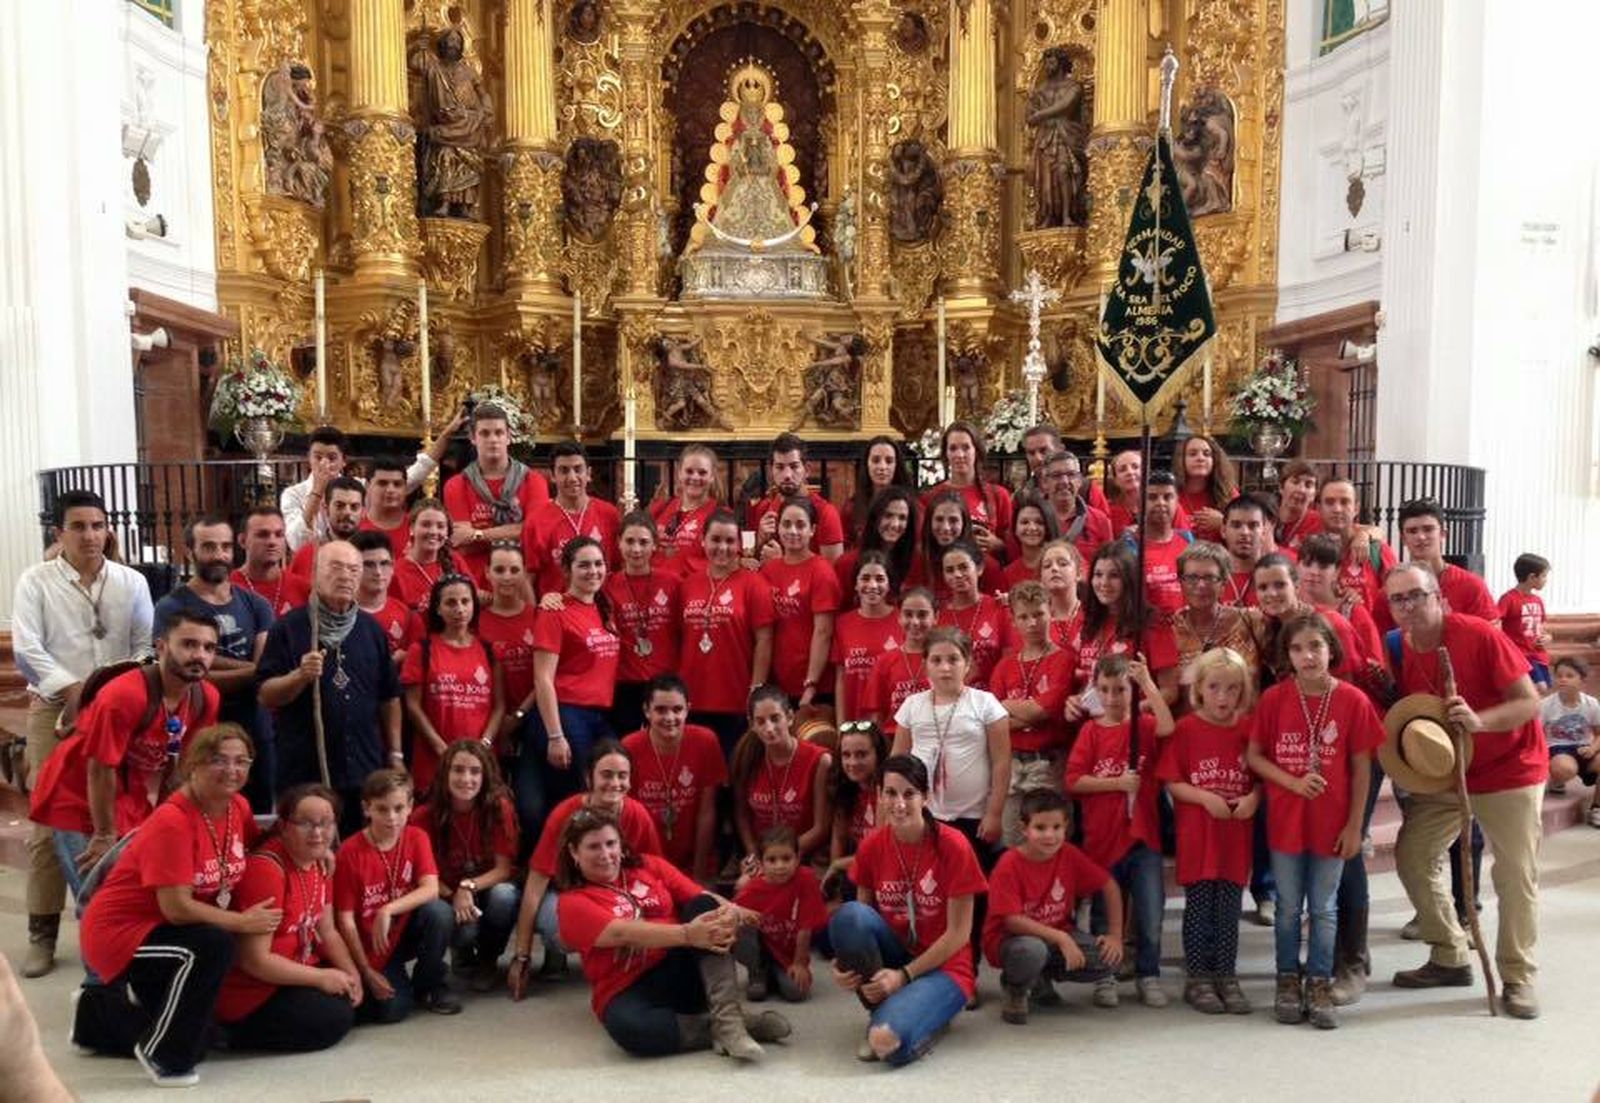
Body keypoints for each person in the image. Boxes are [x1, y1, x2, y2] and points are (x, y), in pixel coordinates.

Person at [1383, 562, 1546, 1019]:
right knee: (1414, 855)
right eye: (1398, 599)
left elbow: (1530, 700)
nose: (1408, 606)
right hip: (1449, 772)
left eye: (1417, 595)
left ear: (1439, 597)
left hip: (1510, 767)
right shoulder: (1401, 648)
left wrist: (1480, 721)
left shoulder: (1478, 635)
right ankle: (1449, 953)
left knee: (1515, 874)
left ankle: (1517, 976)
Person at [71, 724, 274, 1088]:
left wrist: (316, 854)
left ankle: (96, 1019)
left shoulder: (237, 807)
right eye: (218, 760)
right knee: (213, 946)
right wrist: (242, 922)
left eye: (241, 761)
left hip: (170, 930)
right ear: (192, 765)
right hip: (121, 932)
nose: (232, 770)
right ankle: (163, 1054)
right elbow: (177, 907)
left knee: (205, 1038)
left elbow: (257, 852)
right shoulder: (173, 820)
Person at [12, 488, 154, 977]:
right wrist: (74, 690)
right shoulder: (36, 581)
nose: (90, 535)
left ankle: (109, 923)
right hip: (54, 709)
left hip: (118, 710)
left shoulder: (130, 582)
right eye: (79, 527)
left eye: (98, 526)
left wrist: (109, 692)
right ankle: (42, 934)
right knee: (50, 822)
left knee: (116, 817)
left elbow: (144, 646)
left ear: (108, 528)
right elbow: (27, 650)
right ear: (60, 533)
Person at [552, 809, 790, 1058]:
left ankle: (730, 1023)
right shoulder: (571, 902)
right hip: (627, 987)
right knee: (630, 1029)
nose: (605, 854)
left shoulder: (649, 865)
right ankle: (725, 1027)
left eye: (611, 843)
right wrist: (688, 934)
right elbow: (621, 933)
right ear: (573, 853)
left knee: (704, 907)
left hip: (682, 968)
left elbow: (701, 897)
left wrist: (732, 911)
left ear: (621, 844)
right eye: (593, 847)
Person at [1246, 611, 1380, 1030]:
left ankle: (1320, 980)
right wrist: (1292, 781)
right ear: (1287, 655)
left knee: (1323, 908)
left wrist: (1356, 825)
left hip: (1333, 824)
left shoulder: (1353, 701)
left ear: (1331, 649)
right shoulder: (1274, 699)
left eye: (1316, 646)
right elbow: (1254, 756)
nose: (1308, 656)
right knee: (1287, 908)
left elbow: (1362, 769)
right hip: (1287, 822)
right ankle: (1288, 978)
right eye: (1298, 649)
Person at [28, 612, 221, 902]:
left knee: (132, 893)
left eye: (209, 648)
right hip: (77, 791)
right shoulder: (125, 696)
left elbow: (184, 764)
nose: (200, 655)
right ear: (162, 647)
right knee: (96, 895)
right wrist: (104, 834)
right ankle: (48, 941)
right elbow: (99, 769)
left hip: (128, 793)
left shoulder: (206, 697)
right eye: (189, 644)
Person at [828, 754, 987, 1066]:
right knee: (847, 915)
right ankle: (883, 1013)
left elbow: (959, 935)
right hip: (897, 953)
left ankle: (903, 1023)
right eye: (890, 793)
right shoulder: (872, 845)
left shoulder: (954, 846)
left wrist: (904, 976)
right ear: (879, 796)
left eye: (909, 794)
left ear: (925, 797)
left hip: (946, 968)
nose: (899, 804)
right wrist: (842, 965)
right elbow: (862, 917)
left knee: (886, 1044)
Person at [258, 541, 403, 836]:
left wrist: (396, 755)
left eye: (353, 569)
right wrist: (299, 676)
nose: (346, 576)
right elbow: (266, 693)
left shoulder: (371, 630)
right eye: (336, 567)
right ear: (315, 574)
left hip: (363, 769)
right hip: (305, 771)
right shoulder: (289, 628)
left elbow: (389, 697)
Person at [507, 742, 663, 999]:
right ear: (588, 777)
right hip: (566, 893)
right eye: (606, 775)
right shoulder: (564, 815)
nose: (615, 783)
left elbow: (654, 877)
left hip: (615, 896)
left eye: (622, 776)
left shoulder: (637, 815)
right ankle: (556, 953)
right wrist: (521, 956)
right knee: (561, 932)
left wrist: (649, 928)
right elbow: (536, 885)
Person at [214, 784, 361, 1051]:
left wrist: (353, 973)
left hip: (296, 969)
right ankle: (224, 1035)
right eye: (305, 823)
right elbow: (254, 961)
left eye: (326, 823)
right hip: (255, 990)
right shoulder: (267, 870)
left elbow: (327, 931)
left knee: (368, 1001)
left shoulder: (321, 861)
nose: (317, 833)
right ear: (284, 826)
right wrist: (320, 978)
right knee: (333, 1019)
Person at [1065, 655, 1175, 1007]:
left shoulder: (1142, 726)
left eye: (1121, 690)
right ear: (1095, 691)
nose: (1113, 698)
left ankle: (1149, 973)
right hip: (1103, 839)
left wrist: (1147, 683)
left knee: (1149, 911)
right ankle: (1105, 974)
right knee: (1103, 913)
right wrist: (1116, 782)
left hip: (1143, 838)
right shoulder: (1091, 731)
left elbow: (1168, 727)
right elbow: (1074, 781)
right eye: (1105, 690)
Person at [1158, 647, 1258, 1015]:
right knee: (1199, 910)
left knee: (1229, 910)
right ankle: (1198, 977)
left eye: (1232, 689)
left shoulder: (1248, 729)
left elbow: (1262, 776)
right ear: (1199, 689)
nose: (1223, 697)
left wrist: (1254, 799)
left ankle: (1227, 976)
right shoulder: (1186, 729)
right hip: (1199, 838)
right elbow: (1172, 782)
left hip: (1235, 837)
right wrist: (1203, 798)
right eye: (1215, 687)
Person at [984, 789, 1122, 1024]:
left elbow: (1109, 885)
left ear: (1066, 827)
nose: (1050, 836)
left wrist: (1116, 935)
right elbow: (1012, 920)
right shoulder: (1009, 864)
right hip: (1014, 941)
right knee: (1032, 950)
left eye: (1056, 827)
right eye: (1040, 828)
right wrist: (1061, 938)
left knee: (1107, 959)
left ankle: (1039, 978)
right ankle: (1015, 988)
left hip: (1055, 936)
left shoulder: (1068, 853)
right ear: (1024, 828)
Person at [333, 768, 457, 1019]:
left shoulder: (416, 837)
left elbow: (431, 889)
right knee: (394, 1010)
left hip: (403, 929)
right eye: (382, 809)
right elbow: (344, 921)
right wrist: (366, 970)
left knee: (440, 913)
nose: (391, 817)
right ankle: (392, 984)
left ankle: (429, 984)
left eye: (399, 808)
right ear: (366, 808)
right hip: (373, 944)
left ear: (410, 806)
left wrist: (388, 909)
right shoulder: (349, 852)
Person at [410, 741, 521, 991]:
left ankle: (488, 959)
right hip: (445, 891)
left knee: (505, 896)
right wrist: (454, 896)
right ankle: (462, 952)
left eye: (475, 771)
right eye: (458, 770)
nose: (466, 778)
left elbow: (504, 869)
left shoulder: (498, 808)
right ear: (445, 773)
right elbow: (421, 875)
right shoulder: (424, 815)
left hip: (486, 886)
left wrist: (467, 887)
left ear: (486, 775)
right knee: (458, 923)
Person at [154, 514, 272, 739]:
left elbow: (265, 671)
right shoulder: (171, 607)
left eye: (225, 547)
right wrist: (253, 671)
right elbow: (184, 675)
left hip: (254, 728)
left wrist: (212, 666)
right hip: (197, 727)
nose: (219, 555)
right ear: (190, 552)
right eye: (209, 547)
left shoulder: (258, 605)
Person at [528, 537, 619, 812]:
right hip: (568, 713)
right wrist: (556, 735)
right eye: (584, 565)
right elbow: (542, 678)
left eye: (598, 564)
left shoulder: (604, 607)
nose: (593, 571)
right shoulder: (554, 612)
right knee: (581, 794)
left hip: (601, 714)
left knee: (608, 784)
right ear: (567, 571)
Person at [679, 510, 775, 755]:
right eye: (716, 540)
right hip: (692, 697)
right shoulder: (689, 584)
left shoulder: (754, 584)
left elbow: (764, 640)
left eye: (730, 541)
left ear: (740, 544)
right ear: (703, 541)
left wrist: (756, 690)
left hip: (736, 698)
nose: (722, 547)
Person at [989, 582, 1074, 845]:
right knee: (1012, 843)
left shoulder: (1064, 659)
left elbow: (1043, 712)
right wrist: (1030, 711)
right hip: (1012, 765)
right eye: (1024, 617)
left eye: (1038, 614)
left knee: (1050, 842)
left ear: (1050, 611)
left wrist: (1011, 707)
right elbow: (993, 721)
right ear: (1013, 621)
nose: (1032, 623)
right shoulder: (1004, 667)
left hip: (1049, 764)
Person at [281, 423, 454, 552]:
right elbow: (296, 542)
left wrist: (446, 433)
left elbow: (414, 475)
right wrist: (317, 491)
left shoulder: (359, 487)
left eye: (332, 458)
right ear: (308, 459)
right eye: (318, 457)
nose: (324, 464)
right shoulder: (293, 494)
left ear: (344, 461)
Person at [400, 574, 501, 792]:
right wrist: (441, 748)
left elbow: (499, 706)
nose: (460, 609)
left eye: (465, 601)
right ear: (437, 608)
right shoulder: (422, 649)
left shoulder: (488, 650)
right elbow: (412, 707)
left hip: (479, 761)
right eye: (451, 602)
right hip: (433, 759)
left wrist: (484, 745)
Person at [621, 676, 726, 879]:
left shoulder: (705, 741)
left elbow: (707, 814)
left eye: (677, 710)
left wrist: (699, 876)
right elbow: (629, 818)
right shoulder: (629, 747)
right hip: (646, 862)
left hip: (694, 862)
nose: (669, 718)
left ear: (688, 709)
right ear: (646, 711)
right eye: (660, 710)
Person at [1065, 542, 1180, 715]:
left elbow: (1170, 692)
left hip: (1134, 729)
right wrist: (1076, 701)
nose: (1104, 583)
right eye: (1098, 574)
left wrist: (1127, 712)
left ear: (1129, 579)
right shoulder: (1087, 620)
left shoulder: (1153, 623)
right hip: (1092, 729)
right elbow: (1090, 682)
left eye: (1114, 575)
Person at [443, 404, 550, 586]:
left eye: (499, 433)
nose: (493, 439)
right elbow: (463, 543)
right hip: (474, 584)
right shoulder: (456, 485)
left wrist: (478, 534)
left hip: (523, 581)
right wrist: (514, 530)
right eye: (485, 433)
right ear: (473, 438)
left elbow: (532, 534)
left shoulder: (534, 481)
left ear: (509, 437)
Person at [731, 686, 833, 860]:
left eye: (775, 718)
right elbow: (742, 815)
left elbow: (821, 828)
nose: (769, 728)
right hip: (762, 856)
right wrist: (753, 853)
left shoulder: (819, 760)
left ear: (790, 717)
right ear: (751, 724)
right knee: (744, 884)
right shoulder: (747, 757)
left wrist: (780, 857)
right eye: (760, 721)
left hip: (803, 856)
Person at [760, 496, 842, 706]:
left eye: (800, 525)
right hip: (777, 682)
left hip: (812, 685)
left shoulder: (821, 571)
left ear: (812, 530)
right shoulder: (769, 570)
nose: (793, 531)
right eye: (786, 524)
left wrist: (811, 683)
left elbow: (823, 631)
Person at [605, 513, 682, 732]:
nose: (636, 549)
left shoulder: (673, 583)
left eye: (643, 542)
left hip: (665, 681)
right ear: (618, 543)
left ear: (655, 546)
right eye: (629, 541)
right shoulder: (608, 584)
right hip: (625, 682)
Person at [733, 825, 828, 1001]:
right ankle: (757, 972)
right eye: (772, 860)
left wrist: (799, 963)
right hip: (761, 949)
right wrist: (740, 886)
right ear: (761, 863)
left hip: (789, 954)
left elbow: (806, 927)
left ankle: (773, 975)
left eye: (786, 858)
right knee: (739, 926)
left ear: (798, 858)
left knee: (796, 993)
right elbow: (732, 915)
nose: (780, 866)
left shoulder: (806, 879)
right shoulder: (753, 888)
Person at [522, 441, 622, 595]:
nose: (572, 477)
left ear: (588, 474)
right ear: (553, 476)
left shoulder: (609, 514)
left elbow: (617, 569)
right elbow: (528, 579)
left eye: (578, 469)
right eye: (564, 470)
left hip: (601, 611)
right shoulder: (536, 520)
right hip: (557, 612)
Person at [478, 542, 540, 776]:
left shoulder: (539, 616)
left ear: (524, 572)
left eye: (514, 570)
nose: (507, 577)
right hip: (489, 722)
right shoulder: (475, 620)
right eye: (499, 570)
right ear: (487, 572)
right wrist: (499, 723)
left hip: (533, 717)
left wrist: (519, 716)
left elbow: (548, 676)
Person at [1170, 541, 1262, 692]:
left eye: (1209, 578)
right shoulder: (1170, 629)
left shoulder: (1250, 622)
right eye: (1192, 577)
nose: (1200, 585)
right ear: (1180, 582)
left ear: (1224, 583)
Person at [923, 421, 1014, 559]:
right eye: (953, 448)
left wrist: (997, 545)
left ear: (976, 451)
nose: (960, 455)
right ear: (945, 453)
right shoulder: (931, 497)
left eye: (966, 448)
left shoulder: (999, 495)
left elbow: (1015, 544)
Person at [1397, 498, 1498, 623]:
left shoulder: (1472, 586)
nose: (1421, 537)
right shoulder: (1391, 591)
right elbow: (1380, 640)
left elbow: (1492, 636)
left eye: (1428, 529)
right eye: (1412, 531)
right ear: (1403, 539)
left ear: (1443, 534)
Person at [831, 551, 904, 721]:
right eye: (865, 578)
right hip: (856, 723)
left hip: (894, 723)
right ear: (855, 584)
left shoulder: (903, 621)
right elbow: (841, 679)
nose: (872, 585)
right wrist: (841, 724)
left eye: (879, 579)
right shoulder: (843, 623)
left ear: (889, 584)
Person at [749, 433, 846, 561]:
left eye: (794, 466)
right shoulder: (763, 508)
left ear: (807, 470)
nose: (787, 475)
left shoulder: (826, 513)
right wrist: (759, 541)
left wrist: (781, 563)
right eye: (780, 467)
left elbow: (832, 574)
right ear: (770, 471)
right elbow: (751, 562)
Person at [1317, 478, 1398, 631]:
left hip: (1371, 644)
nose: (1337, 509)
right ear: (1319, 508)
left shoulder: (1378, 551)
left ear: (1356, 508)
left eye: (1345, 502)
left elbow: (1397, 596)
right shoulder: (1309, 553)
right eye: (1329, 502)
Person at [935, 541, 1018, 690]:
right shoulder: (938, 616)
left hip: (993, 699)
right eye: (950, 570)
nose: (957, 575)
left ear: (979, 568)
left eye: (963, 567)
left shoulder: (998, 607)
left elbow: (1010, 660)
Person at [861, 587, 935, 734]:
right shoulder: (884, 661)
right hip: (893, 739)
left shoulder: (943, 659)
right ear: (899, 617)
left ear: (936, 617)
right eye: (908, 614)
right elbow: (877, 716)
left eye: (922, 615)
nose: (915, 622)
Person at [825, 721, 888, 889]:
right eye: (846, 755)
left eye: (861, 754)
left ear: (878, 755)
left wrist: (838, 865)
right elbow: (838, 839)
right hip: (855, 870)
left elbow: (879, 852)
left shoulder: (888, 791)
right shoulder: (843, 789)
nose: (852, 762)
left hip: (883, 873)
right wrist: (833, 876)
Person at [833, 485, 919, 605]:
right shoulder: (847, 564)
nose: (895, 524)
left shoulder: (916, 563)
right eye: (888, 515)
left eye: (902, 518)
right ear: (875, 517)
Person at [350, 531, 424, 666]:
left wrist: (407, 657)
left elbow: (420, 664)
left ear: (393, 566)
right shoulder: (339, 614)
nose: (378, 572)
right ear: (352, 568)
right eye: (368, 564)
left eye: (384, 563)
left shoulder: (408, 617)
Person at [1539, 657, 1600, 820]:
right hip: (1558, 749)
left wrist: (1593, 748)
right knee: (1565, 769)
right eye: (1559, 675)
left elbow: (1599, 733)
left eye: (1569, 675)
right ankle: (1557, 780)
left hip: (1585, 748)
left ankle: (1596, 808)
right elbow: (1536, 734)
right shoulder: (1546, 705)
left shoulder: (1591, 703)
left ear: (1582, 680)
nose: (1563, 679)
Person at [648, 443, 721, 576]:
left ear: (712, 476)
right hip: (656, 587)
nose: (695, 477)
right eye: (689, 471)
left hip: (694, 590)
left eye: (702, 472)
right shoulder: (660, 508)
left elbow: (727, 561)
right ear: (679, 473)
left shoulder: (720, 515)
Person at [1127, 470, 1193, 615]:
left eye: (1167, 497)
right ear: (1139, 505)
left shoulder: (1188, 541)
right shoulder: (1128, 546)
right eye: (1152, 497)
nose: (1160, 503)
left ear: (1177, 503)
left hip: (1184, 634)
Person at [919, 492, 1005, 600]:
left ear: (964, 523)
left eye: (953, 520)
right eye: (939, 519)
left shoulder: (987, 565)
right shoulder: (918, 561)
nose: (946, 527)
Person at [1038, 450, 1114, 567]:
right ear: (1044, 482)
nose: (1064, 481)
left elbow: (1108, 565)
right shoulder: (1034, 520)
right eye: (1056, 476)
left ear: (1079, 481)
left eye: (1071, 474)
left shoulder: (1099, 520)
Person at [231, 506, 309, 617]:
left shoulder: (303, 589)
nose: (272, 542)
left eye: (279, 535)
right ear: (243, 541)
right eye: (263, 535)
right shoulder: (227, 587)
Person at [286, 476, 366, 580]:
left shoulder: (374, 554)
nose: (347, 512)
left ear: (363, 511)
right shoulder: (307, 556)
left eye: (354, 507)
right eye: (339, 506)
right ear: (325, 508)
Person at [844, 436, 915, 547]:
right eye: (876, 460)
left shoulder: (913, 507)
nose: (882, 467)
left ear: (897, 465)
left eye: (889, 461)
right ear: (867, 464)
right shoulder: (851, 508)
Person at [390, 499, 456, 614]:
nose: (434, 531)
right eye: (426, 525)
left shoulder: (455, 560)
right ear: (411, 528)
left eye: (440, 526)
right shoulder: (396, 572)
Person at [1497, 553, 1553, 689]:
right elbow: (1495, 623)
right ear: (1532, 577)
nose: (1546, 580)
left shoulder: (1538, 600)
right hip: (1520, 655)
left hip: (1538, 655)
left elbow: (1541, 627)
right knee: (1539, 687)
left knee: (1542, 689)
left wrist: (1548, 637)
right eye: (1544, 576)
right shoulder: (1508, 599)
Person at [1177, 434, 1238, 541]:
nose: (1200, 458)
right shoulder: (1171, 494)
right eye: (1192, 454)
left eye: (1207, 454)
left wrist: (1223, 522)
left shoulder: (1228, 493)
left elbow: (1244, 529)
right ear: (1181, 460)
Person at [1219, 495, 1274, 608]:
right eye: (1236, 525)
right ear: (1223, 531)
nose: (1244, 532)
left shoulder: (1277, 578)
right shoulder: (1210, 579)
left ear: (1264, 532)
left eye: (1253, 525)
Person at [1002, 494, 1062, 589]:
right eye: (1025, 522)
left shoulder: (1062, 569)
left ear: (1048, 526)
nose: (1032, 528)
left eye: (1039, 522)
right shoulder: (1007, 574)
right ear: (1015, 529)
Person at [358, 456, 415, 557]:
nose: (390, 490)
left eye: (397, 484)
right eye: (382, 483)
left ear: (405, 488)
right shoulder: (354, 527)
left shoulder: (417, 528)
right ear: (367, 486)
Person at [1039, 538, 1084, 651]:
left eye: (1063, 564)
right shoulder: (1036, 620)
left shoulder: (1093, 616)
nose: (1054, 568)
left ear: (1078, 573)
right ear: (1041, 579)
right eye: (1047, 566)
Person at [1274, 460, 1323, 554]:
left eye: (1308, 485)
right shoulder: (1266, 515)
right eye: (1295, 482)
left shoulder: (1320, 522)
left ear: (1314, 494)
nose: (1301, 489)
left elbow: (1351, 531)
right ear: (1281, 487)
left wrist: (1360, 535)